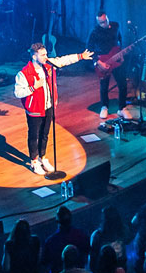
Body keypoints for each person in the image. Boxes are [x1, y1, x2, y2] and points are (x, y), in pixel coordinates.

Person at [14, 42, 92, 177]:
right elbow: (18, 93)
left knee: (45, 134)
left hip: (48, 106)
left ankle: (42, 157)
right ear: (34, 56)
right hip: (34, 109)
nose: (46, 57)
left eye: (46, 54)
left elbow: (64, 60)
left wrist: (81, 56)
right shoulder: (24, 73)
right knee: (34, 135)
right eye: (42, 55)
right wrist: (33, 87)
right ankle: (34, 161)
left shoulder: (49, 65)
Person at [88, 12, 128, 118]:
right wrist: (97, 62)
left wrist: (121, 54)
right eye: (101, 22)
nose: (104, 24)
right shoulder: (95, 32)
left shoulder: (116, 26)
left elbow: (119, 40)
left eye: (105, 21)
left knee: (122, 84)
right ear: (97, 22)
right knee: (104, 86)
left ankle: (122, 108)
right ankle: (104, 107)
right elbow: (89, 49)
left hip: (116, 58)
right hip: (103, 61)